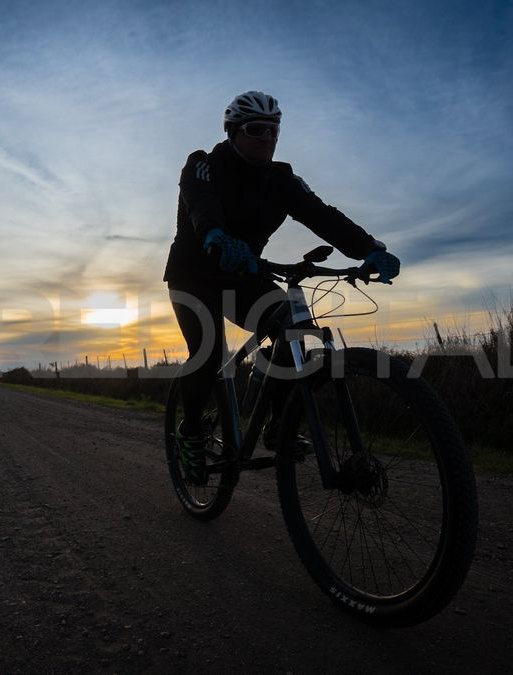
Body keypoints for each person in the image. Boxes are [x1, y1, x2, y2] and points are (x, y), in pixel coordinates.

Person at [164, 90, 401, 485]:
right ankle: (190, 432)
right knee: (206, 354)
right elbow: (201, 205)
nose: (268, 137)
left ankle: (280, 427)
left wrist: (369, 249)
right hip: (194, 276)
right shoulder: (204, 165)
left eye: (275, 130)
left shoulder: (282, 180)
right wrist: (217, 237)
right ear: (233, 131)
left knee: (289, 325)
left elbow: (323, 216)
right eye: (256, 129)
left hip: (245, 272)